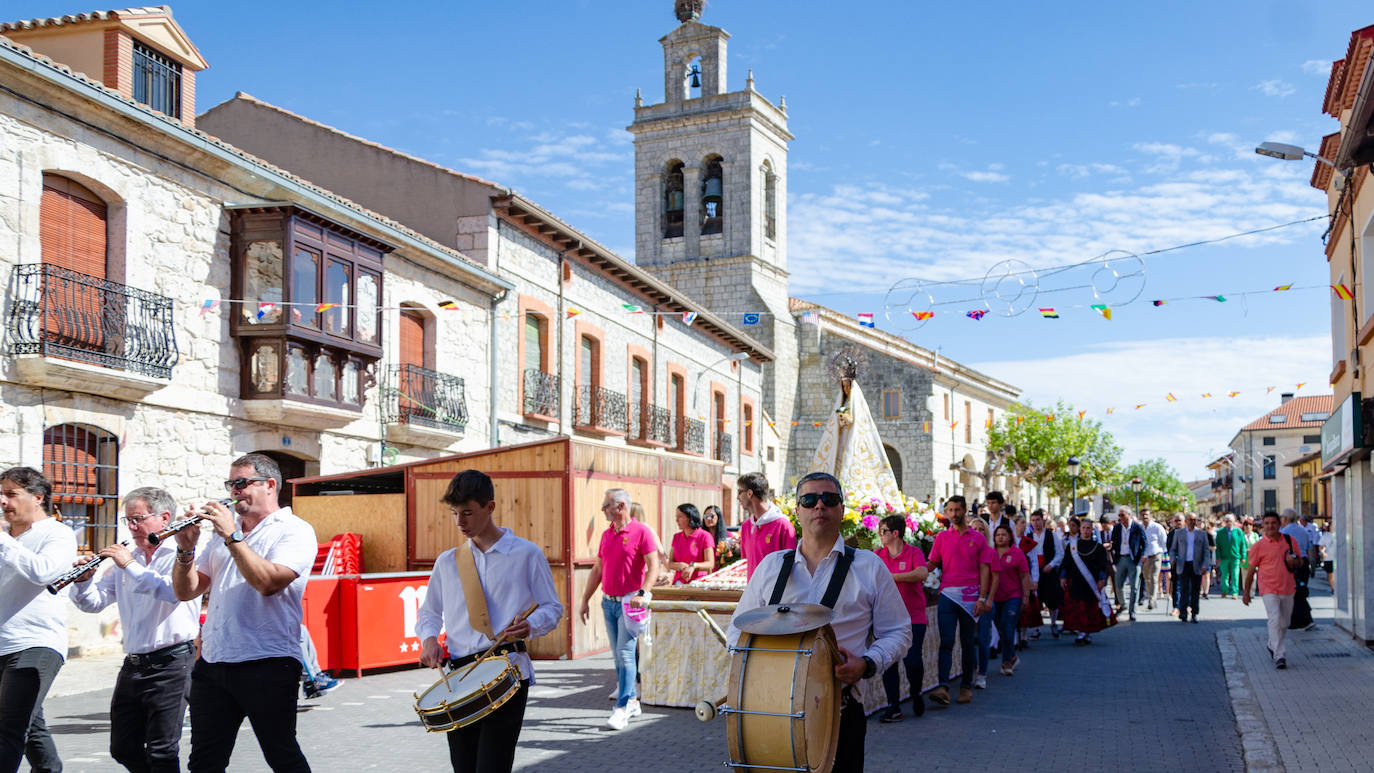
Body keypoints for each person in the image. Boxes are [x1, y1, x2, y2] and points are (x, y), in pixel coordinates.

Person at [727, 473, 910, 773]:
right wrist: (759, 671)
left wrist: (868, 663)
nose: (819, 506)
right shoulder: (771, 567)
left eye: (830, 499)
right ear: (797, 511)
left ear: (841, 509)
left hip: (840, 712)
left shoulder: (869, 567)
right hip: (770, 710)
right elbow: (737, 629)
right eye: (810, 500)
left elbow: (899, 631)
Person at [172, 453, 318, 773]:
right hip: (214, 662)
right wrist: (185, 549)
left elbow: (268, 583)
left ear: (269, 485)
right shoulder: (227, 532)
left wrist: (231, 537)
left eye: (241, 483)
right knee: (204, 761)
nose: (234, 491)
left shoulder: (294, 530)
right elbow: (186, 591)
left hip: (268, 661)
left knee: (281, 755)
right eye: (230, 484)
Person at [417, 469, 563, 773]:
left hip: (508, 671)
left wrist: (530, 625)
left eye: (468, 513)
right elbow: (430, 612)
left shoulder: (525, 553)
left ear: (490, 507)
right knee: (464, 766)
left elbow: (552, 608)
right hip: (459, 675)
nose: (460, 522)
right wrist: (429, 639)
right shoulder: (448, 562)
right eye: (455, 513)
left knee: (492, 766)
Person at [69, 486, 200, 773]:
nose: (132, 527)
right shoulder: (128, 559)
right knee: (123, 748)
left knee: (162, 750)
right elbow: (94, 602)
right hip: (135, 664)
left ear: (164, 518)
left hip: (172, 662)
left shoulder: (184, 555)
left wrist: (128, 565)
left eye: (138, 518)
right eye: (128, 520)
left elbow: (170, 591)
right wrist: (83, 580)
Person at [0, 467, 77, 773]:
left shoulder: (58, 534)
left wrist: (4, 543)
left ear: (37, 497)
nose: (3, 501)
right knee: (30, 725)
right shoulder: (6, 539)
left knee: (9, 727)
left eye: (10, 494)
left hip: (36, 643)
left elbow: (43, 572)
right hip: (3, 642)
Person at [578, 488, 659, 731]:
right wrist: (584, 600)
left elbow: (654, 566)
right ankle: (632, 701)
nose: (603, 509)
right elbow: (597, 570)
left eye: (606, 505)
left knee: (625, 654)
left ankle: (622, 707)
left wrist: (643, 593)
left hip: (630, 603)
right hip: (609, 602)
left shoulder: (642, 531)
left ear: (620, 506)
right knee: (617, 656)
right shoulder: (606, 535)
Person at [926, 495, 995, 706]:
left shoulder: (979, 538)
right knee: (946, 641)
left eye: (957, 510)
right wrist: (912, 572)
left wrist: (982, 597)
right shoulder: (941, 538)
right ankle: (943, 687)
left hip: (970, 598)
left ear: (965, 510)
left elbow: (985, 569)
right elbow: (931, 564)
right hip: (947, 595)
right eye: (950, 510)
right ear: (946, 512)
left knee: (967, 643)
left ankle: (966, 687)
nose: (954, 514)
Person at [876, 515, 928, 723]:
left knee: (913, 662)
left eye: (883, 531)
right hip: (887, 619)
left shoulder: (913, 552)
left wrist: (893, 578)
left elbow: (922, 573)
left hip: (913, 616)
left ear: (895, 533)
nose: (880, 536)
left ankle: (916, 693)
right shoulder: (878, 555)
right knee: (889, 663)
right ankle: (893, 706)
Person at [1243, 512, 1303, 670]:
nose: (1270, 526)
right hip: (1268, 588)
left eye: (1273, 523)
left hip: (1288, 587)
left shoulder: (1290, 541)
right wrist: (1246, 593)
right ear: (1263, 525)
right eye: (1267, 523)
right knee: (1275, 619)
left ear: (1279, 524)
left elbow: (1300, 562)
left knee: (1285, 623)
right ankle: (1279, 655)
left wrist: (1294, 560)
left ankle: (1272, 644)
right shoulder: (1258, 546)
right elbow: (1250, 571)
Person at [1061, 518, 1111, 645]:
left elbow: (1102, 566)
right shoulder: (1072, 546)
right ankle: (1081, 632)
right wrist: (1063, 576)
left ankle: (1086, 633)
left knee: (1089, 608)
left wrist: (1101, 579)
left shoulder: (1098, 547)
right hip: (1076, 582)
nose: (1085, 530)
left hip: (1091, 583)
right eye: (1083, 528)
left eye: (1088, 528)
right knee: (1078, 608)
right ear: (1080, 529)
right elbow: (1065, 563)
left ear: (1092, 530)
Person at [736, 472, 795, 579]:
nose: (737, 497)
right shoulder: (746, 526)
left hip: (775, 593)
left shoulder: (783, 526)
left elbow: (792, 568)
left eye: (739, 492)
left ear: (749, 493)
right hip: (754, 593)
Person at [991, 524, 1030, 675]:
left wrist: (1026, 596)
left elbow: (1024, 575)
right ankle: (1012, 655)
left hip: (1013, 596)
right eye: (997, 535)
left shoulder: (1017, 553)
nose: (1000, 537)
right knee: (1001, 628)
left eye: (1003, 534)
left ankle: (1006, 662)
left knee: (1008, 629)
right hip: (995, 597)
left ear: (1010, 537)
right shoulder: (991, 553)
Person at [1024, 509, 1063, 640]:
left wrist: (1052, 564)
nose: (1036, 523)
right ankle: (1036, 628)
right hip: (1035, 572)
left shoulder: (1052, 535)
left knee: (1052, 599)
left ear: (1043, 520)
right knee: (1036, 600)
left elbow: (1060, 553)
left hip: (1049, 571)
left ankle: (1053, 623)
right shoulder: (1028, 537)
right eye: (1033, 520)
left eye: (1038, 520)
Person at [1168, 513, 1211, 624]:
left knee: (1195, 591)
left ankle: (1194, 613)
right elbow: (1173, 549)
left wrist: (1205, 565)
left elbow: (1206, 551)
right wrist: (1172, 559)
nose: (1192, 521)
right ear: (1186, 521)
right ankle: (1183, 612)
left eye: (1194, 520)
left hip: (1196, 565)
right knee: (1184, 589)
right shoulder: (1179, 533)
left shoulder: (1201, 534)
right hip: (1183, 564)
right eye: (1190, 519)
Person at [968, 518, 995, 689]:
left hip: (983, 600)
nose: (978, 531)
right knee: (969, 639)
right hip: (967, 600)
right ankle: (973, 669)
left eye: (981, 529)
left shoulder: (991, 552)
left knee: (983, 639)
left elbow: (995, 578)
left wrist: (987, 599)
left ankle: (982, 673)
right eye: (974, 528)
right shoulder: (966, 551)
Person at [1280, 509, 1316, 631]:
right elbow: (1307, 548)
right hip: (1303, 563)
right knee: (1301, 590)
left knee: (1293, 593)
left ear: (1285, 518)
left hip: (1291, 564)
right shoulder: (1304, 531)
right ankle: (1301, 620)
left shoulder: (1284, 532)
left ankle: (1302, 620)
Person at [1109, 507, 1145, 621]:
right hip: (1121, 558)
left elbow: (1144, 543)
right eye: (1119, 515)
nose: (1120, 518)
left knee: (1134, 587)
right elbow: (1113, 543)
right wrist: (1114, 558)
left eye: (1122, 515)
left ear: (1129, 515)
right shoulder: (1117, 528)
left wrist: (1139, 557)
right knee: (1118, 584)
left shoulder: (1137, 527)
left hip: (1133, 559)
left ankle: (1132, 610)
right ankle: (1123, 605)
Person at [668, 504, 715, 585]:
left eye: (680, 517)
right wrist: (680, 565)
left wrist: (693, 565)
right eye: (676, 517)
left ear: (690, 517)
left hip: (699, 583)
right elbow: (670, 563)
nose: (676, 520)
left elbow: (710, 563)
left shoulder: (705, 536)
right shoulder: (676, 537)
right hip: (679, 583)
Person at [1139, 509, 1167, 610]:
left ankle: (1152, 599)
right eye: (1142, 515)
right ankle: (1151, 595)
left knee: (1154, 577)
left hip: (1156, 555)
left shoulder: (1157, 527)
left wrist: (1164, 554)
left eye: (1146, 514)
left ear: (1150, 515)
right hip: (1145, 557)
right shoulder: (1140, 527)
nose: (1144, 516)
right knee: (1147, 578)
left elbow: (1164, 541)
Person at [1215, 515, 1245, 599]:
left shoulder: (1238, 531)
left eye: (1230, 521)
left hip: (1235, 557)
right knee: (1225, 575)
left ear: (1234, 521)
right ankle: (1225, 590)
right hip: (1224, 557)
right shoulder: (1220, 532)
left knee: (1235, 575)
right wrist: (1218, 557)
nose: (1228, 523)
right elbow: (1218, 546)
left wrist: (1243, 556)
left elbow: (1243, 545)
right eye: (1227, 521)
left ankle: (1235, 592)